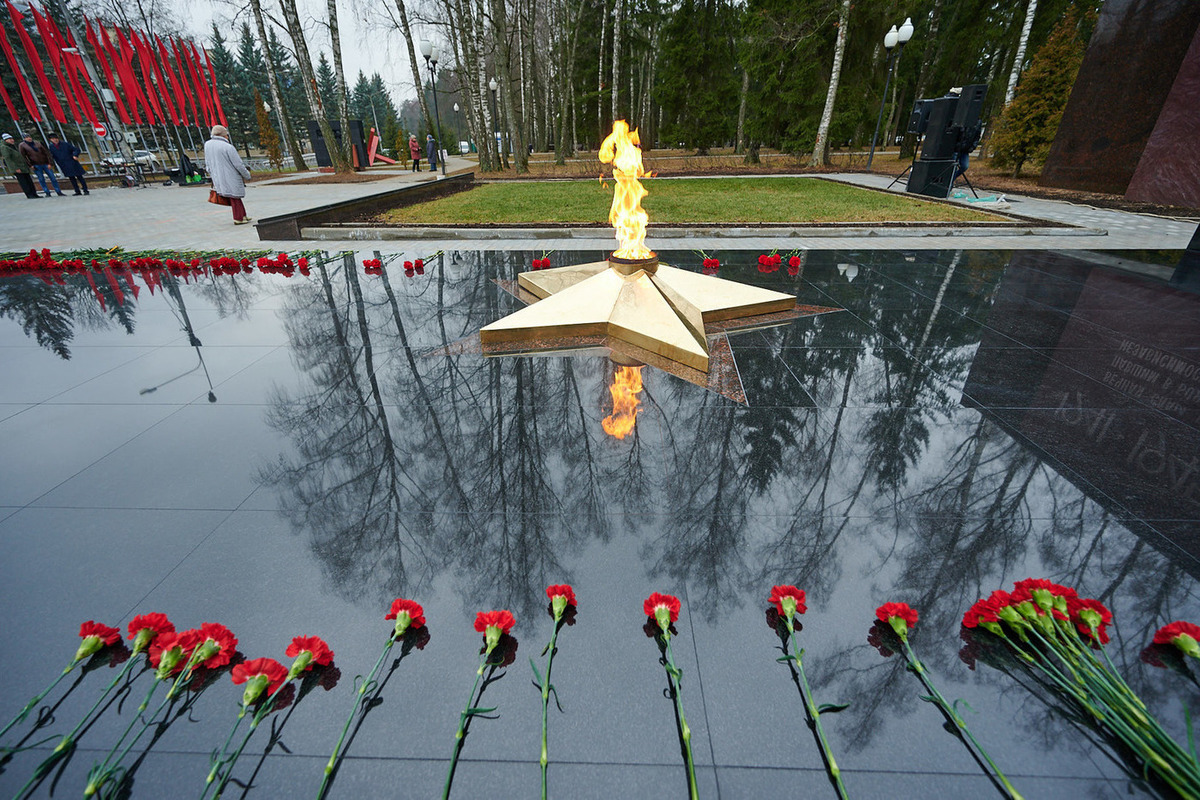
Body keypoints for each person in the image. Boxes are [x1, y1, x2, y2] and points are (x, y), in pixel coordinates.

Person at [204, 124, 252, 225]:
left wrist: (211, 172)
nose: (227, 136)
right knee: (235, 196)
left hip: (218, 176)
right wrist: (247, 175)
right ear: (223, 135)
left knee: (234, 196)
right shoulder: (228, 147)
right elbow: (238, 164)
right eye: (226, 135)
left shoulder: (207, 145)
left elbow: (207, 162)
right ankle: (238, 218)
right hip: (231, 175)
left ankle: (243, 215)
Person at [1, 133, 38, 199]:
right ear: (5, 140)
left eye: (12, 139)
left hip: (23, 166)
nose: (12, 140)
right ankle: (29, 194)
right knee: (24, 182)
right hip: (17, 168)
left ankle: (34, 193)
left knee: (29, 180)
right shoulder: (4, 147)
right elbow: (8, 159)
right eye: (9, 139)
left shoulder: (12, 146)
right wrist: (16, 168)